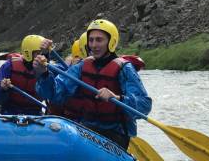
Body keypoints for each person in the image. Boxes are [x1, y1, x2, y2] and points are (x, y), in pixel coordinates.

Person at [33, 19, 152, 149]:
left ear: (111, 42)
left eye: (99, 40)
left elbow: (144, 105)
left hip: (115, 135)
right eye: (91, 40)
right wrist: (44, 74)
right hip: (87, 130)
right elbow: (55, 94)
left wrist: (117, 98)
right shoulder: (82, 66)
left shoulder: (124, 68)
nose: (94, 45)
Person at [0, 35, 50, 115]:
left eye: (43, 54)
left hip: (35, 113)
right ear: (28, 53)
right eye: (38, 53)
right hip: (10, 113)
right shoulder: (9, 66)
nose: (42, 58)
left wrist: (45, 74)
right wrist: (3, 89)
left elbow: (52, 94)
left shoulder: (46, 71)